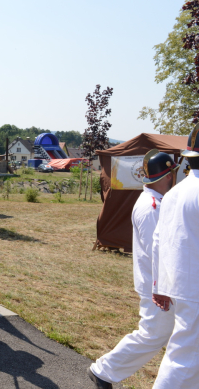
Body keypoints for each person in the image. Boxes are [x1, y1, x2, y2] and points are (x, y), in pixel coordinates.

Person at [87, 150, 177, 389]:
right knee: (152, 335)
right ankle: (103, 371)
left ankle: (104, 371)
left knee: (160, 336)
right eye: (174, 173)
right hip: (156, 286)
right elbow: (155, 251)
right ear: (168, 176)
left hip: (159, 284)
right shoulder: (152, 207)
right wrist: (161, 287)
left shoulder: (155, 202)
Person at [151, 125, 199, 389]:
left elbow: (160, 241)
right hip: (195, 288)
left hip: (182, 284)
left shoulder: (174, 193)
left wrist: (160, 285)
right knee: (185, 360)